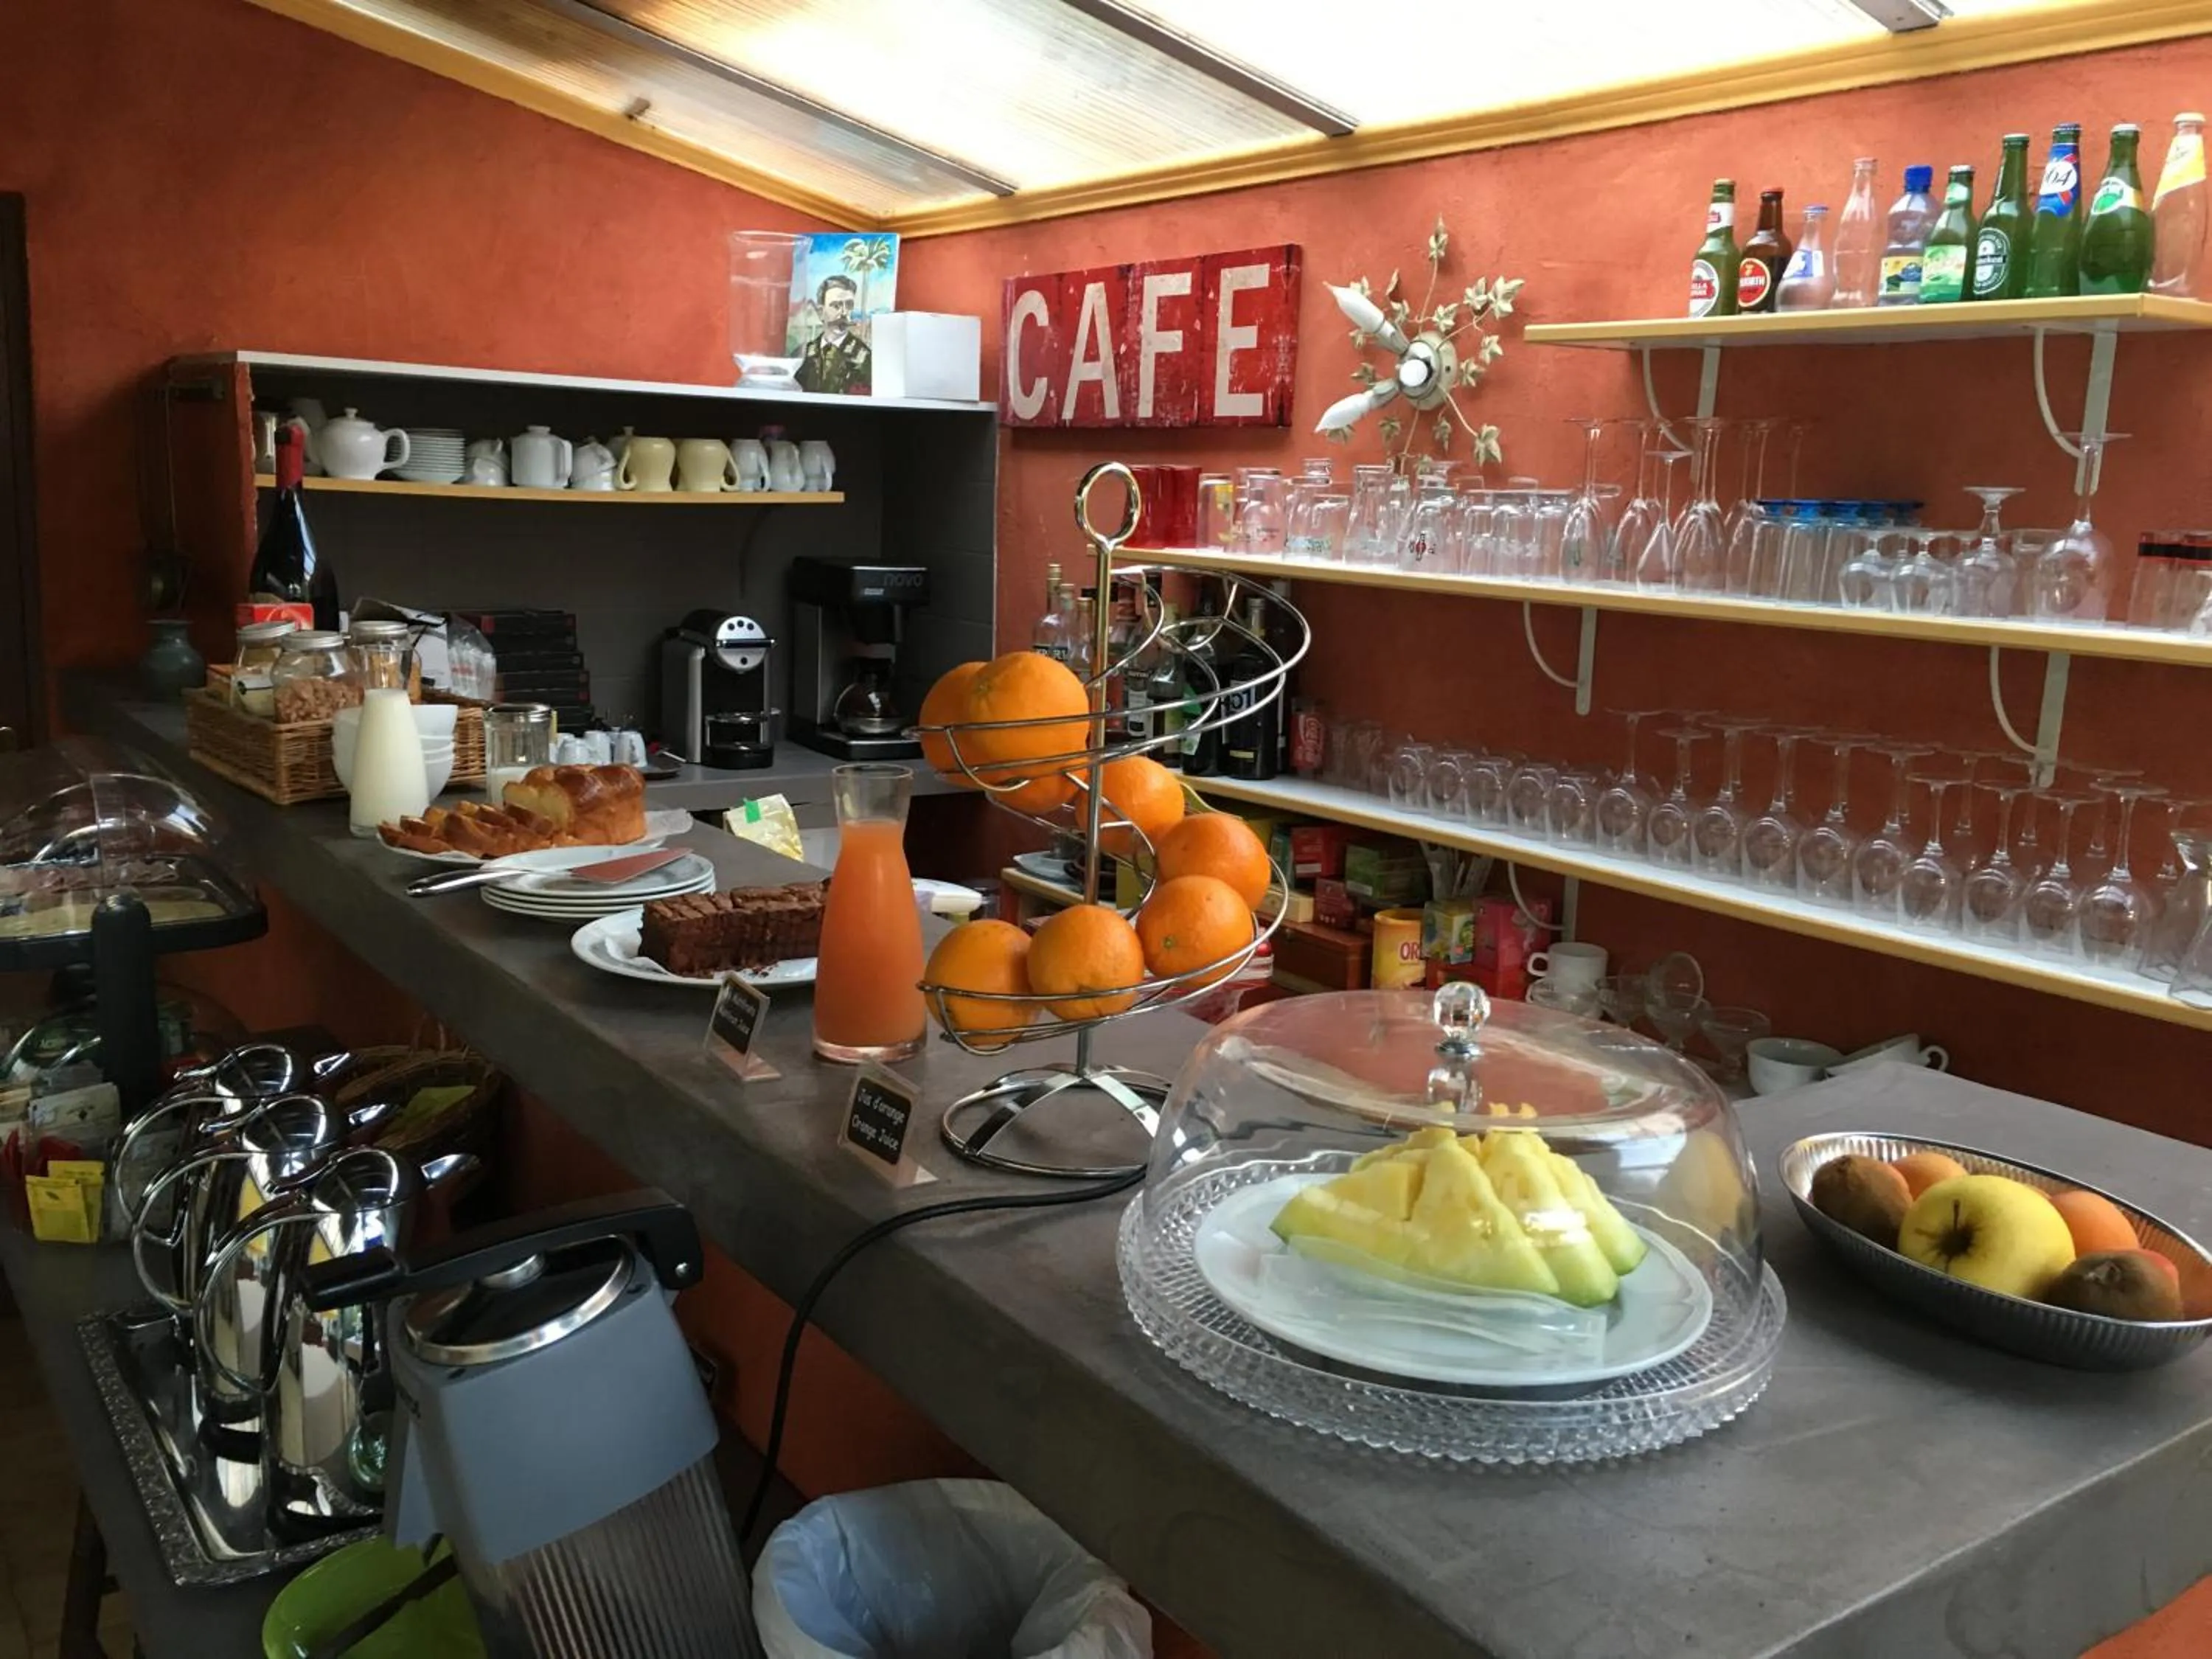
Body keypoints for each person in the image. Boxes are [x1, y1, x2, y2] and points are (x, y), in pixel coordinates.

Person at [796, 274, 871, 395]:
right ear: (821, 312)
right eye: (836, 306)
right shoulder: (804, 354)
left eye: (849, 305)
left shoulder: (864, 358)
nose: (844, 313)